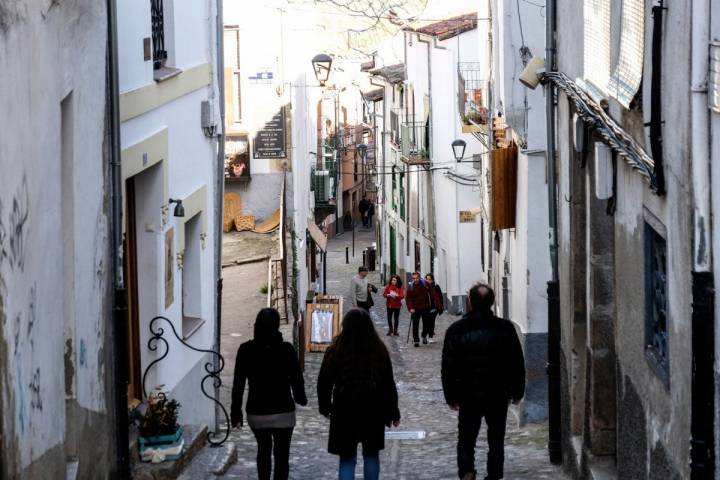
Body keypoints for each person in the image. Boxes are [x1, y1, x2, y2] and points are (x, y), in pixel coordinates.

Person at [441, 284, 525, 480]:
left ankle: (467, 472)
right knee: (496, 439)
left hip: (468, 393)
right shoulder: (505, 328)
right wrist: (517, 391)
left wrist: (450, 395)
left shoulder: (456, 330)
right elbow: (516, 362)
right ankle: (494, 474)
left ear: (469, 301)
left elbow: (448, 367)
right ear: (492, 302)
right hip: (497, 393)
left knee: (466, 438)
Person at [317, 309, 401, 480]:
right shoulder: (378, 350)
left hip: (344, 407)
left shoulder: (336, 349)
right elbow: (387, 384)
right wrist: (393, 412)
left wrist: (325, 407)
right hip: (372, 407)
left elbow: (324, 381)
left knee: (347, 458)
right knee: (371, 455)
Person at [231, 308, 307, 480]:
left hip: (257, 413)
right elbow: (297, 379)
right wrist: (301, 398)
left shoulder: (245, 350)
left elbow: (238, 384)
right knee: (282, 456)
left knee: (263, 451)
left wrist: (235, 412)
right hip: (283, 412)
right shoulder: (286, 350)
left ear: (257, 325)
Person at [405, 271, 441, 347]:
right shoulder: (411, 286)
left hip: (425, 307)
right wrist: (410, 308)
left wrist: (438, 303)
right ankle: (416, 340)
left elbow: (433, 293)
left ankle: (424, 335)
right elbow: (408, 298)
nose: (415, 280)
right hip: (415, 308)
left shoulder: (425, 284)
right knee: (415, 325)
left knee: (426, 324)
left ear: (419, 277)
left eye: (417, 278)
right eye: (414, 278)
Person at [424, 273, 444, 344]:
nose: (428, 280)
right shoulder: (423, 287)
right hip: (425, 307)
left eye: (429, 279)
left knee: (431, 322)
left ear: (432, 280)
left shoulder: (436, 287)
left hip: (434, 307)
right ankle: (425, 335)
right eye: (426, 279)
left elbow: (440, 297)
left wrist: (440, 307)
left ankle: (430, 337)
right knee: (426, 322)